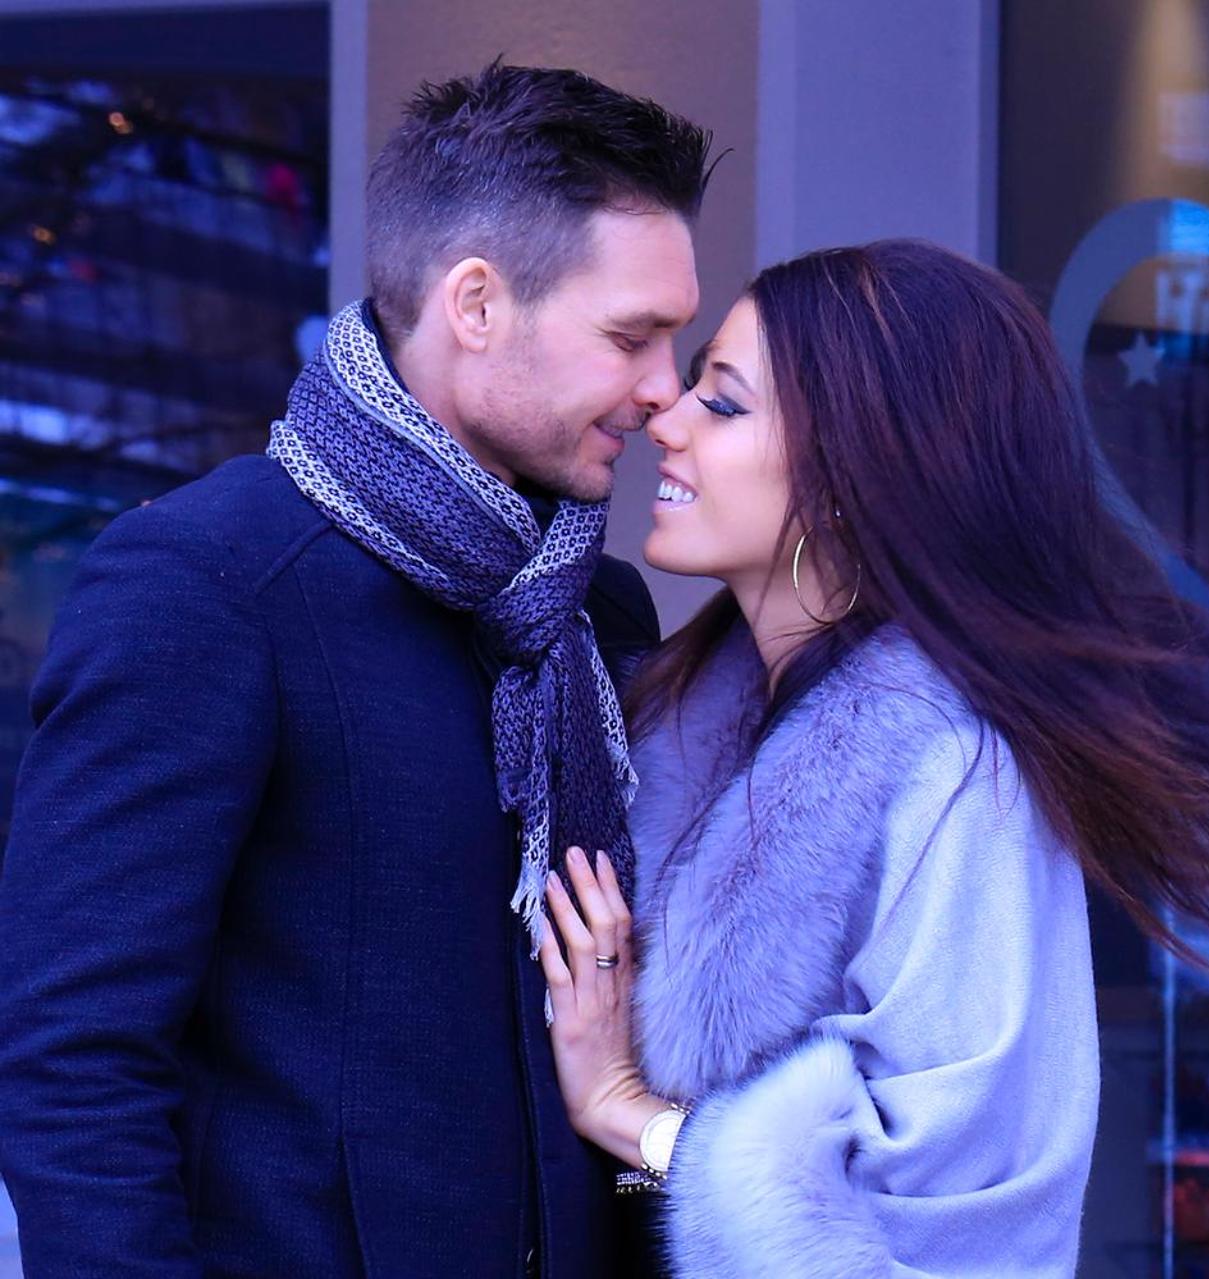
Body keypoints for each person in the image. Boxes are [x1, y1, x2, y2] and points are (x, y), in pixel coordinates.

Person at [0, 64, 708, 1277]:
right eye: (631, 336)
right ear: (475, 303)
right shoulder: (208, 584)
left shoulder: (594, 608)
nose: (665, 389)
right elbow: (72, 1060)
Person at [533, 240, 1209, 1275]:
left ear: (849, 480)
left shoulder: (959, 771)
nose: (669, 418)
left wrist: (627, 1112)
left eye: (725, 404)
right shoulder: (673, 718)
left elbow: (945, 1226)